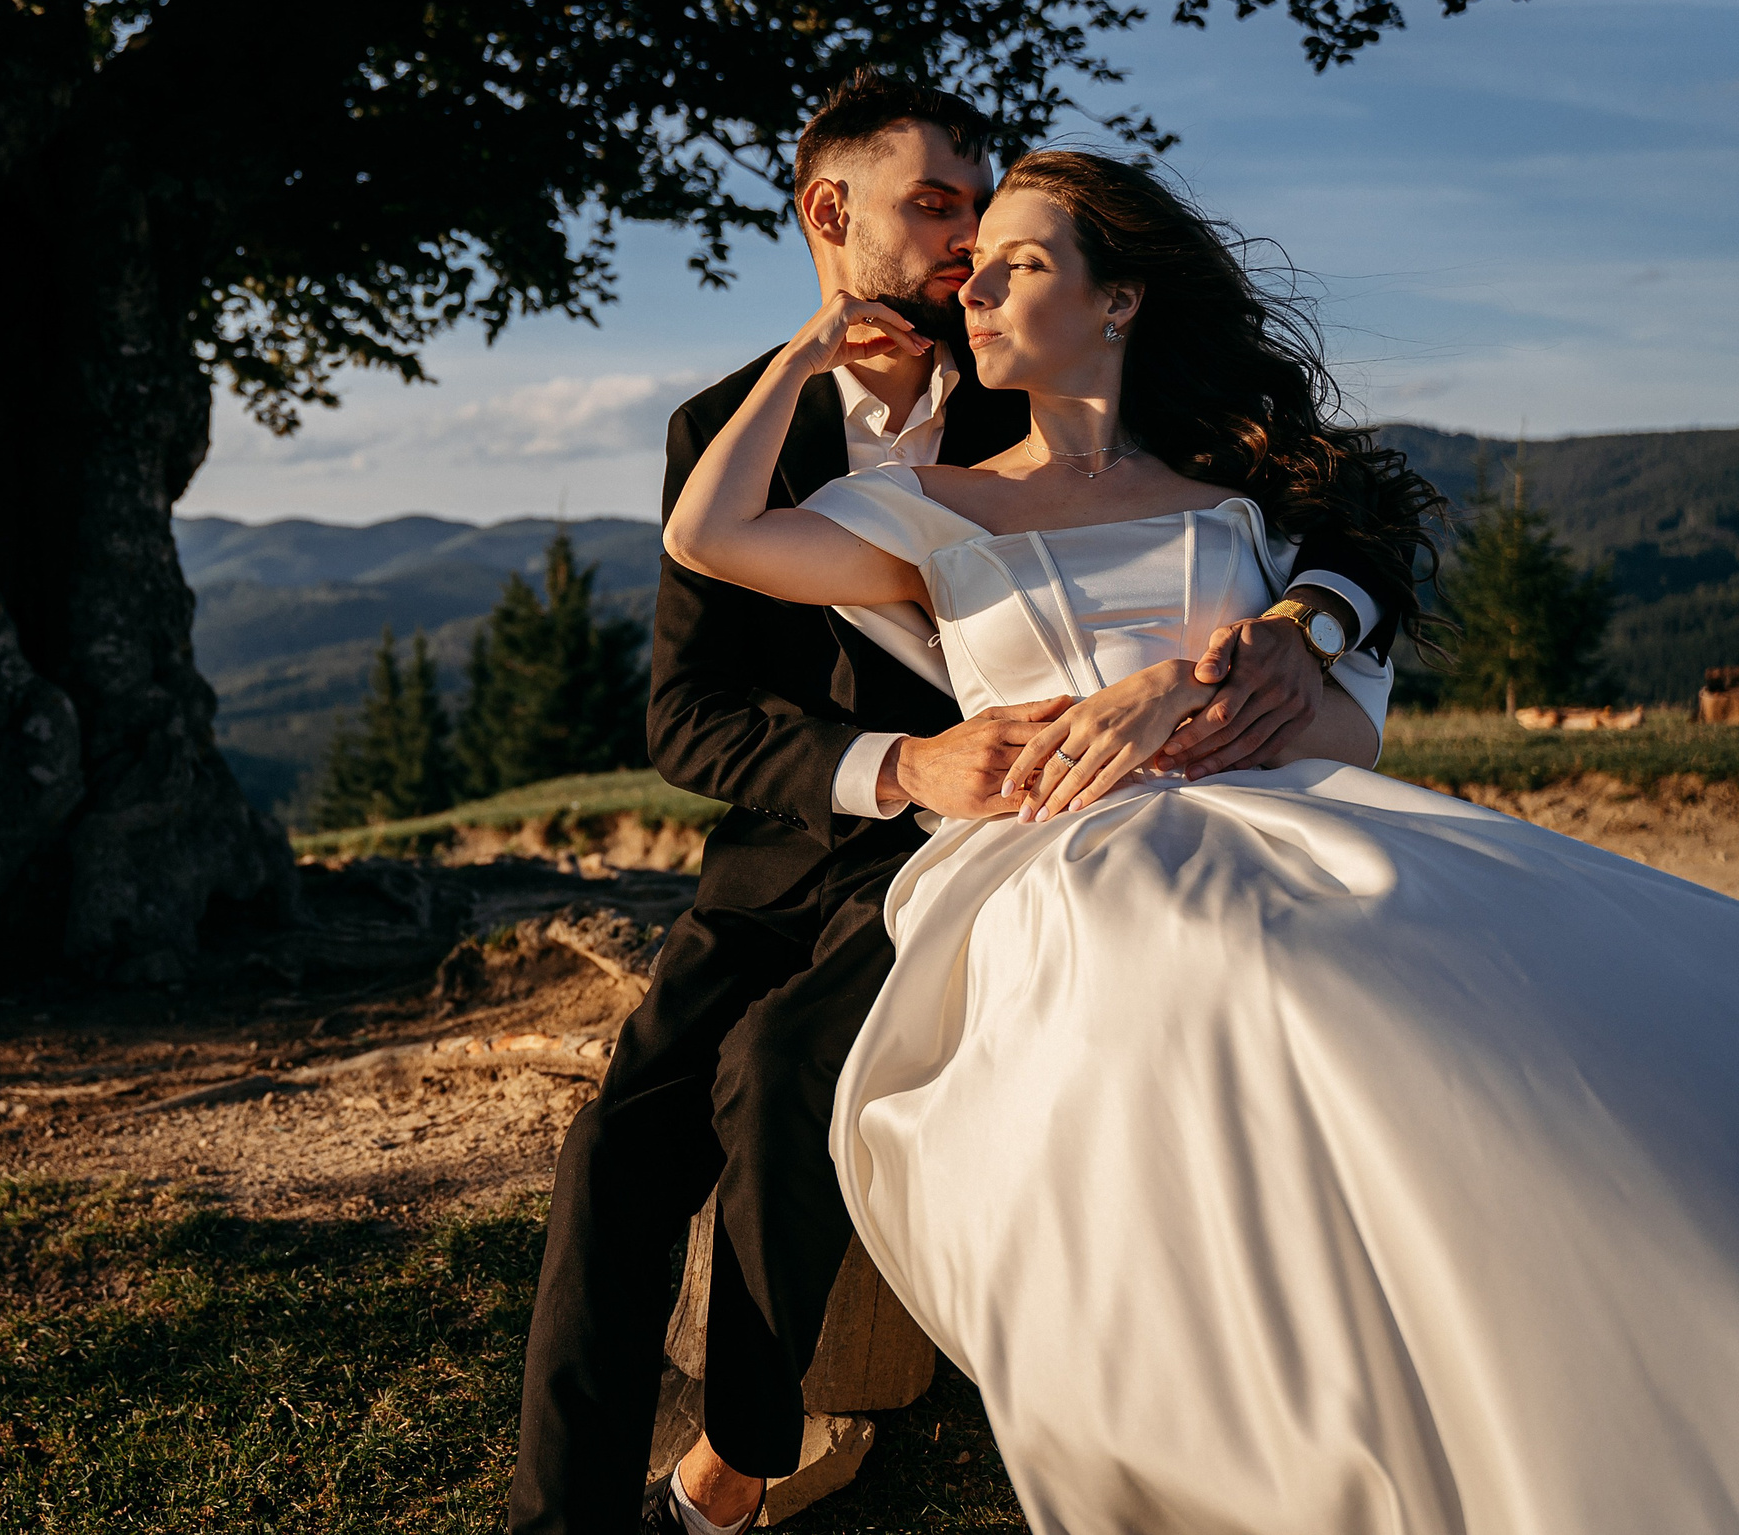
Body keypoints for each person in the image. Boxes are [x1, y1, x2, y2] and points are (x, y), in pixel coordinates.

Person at [664, 148, 1739, 1531]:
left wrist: (1223, 674)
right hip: (1055, 859)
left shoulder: (1239, 511)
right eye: (971, 261)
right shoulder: (938, 508)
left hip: (1284, 831)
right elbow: (712, 535)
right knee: (1210, 962)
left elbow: (1344, 732)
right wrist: (815, 348)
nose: (973, 285)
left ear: (1119, 304)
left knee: (1479, 997)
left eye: (1021, 262)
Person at [505, 75, 1410, 1535]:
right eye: (935, 208)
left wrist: (1301, 622)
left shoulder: (1025, 373)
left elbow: (1327, 508)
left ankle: (744, 1454)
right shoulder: (734, 422)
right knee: (620, 1141)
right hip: (808, 847)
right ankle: (564, 1522)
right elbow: (688, 716)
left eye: (985, 222)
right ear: (828, 212)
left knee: (781, 1075)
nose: (963, 250)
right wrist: (900, 766)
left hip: (1002, 854)